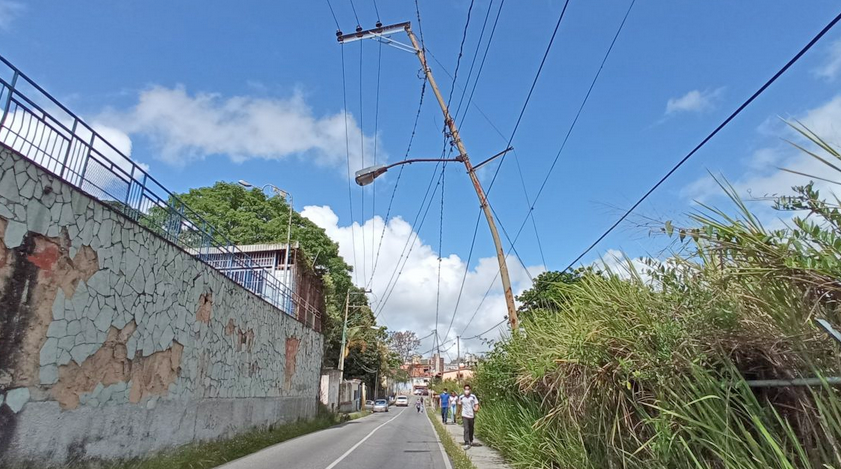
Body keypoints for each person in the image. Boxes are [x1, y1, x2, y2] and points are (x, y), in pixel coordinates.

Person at [458, 384, 479, 449]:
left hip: (471, 415)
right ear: (464, 390)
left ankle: (471, 439)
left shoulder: (473, 397)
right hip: (464, 415)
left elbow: (476, 404)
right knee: (466, 429)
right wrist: (458, 414)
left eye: (468, 389)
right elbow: (459, 406)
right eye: (465, 389)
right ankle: (466, 442)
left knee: (471, 428)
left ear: (470, 390)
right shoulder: (461, 397)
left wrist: (476, 409)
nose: (467, 390)